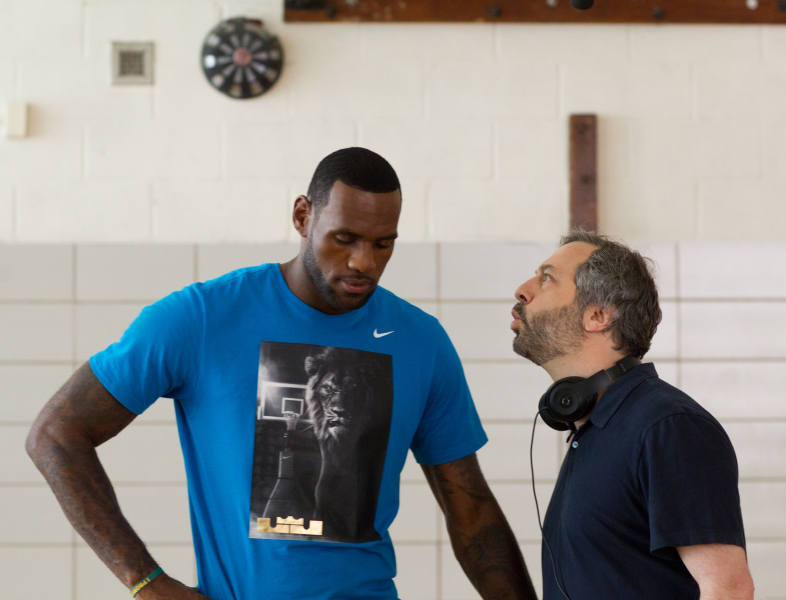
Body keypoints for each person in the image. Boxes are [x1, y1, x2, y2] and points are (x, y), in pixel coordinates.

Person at [26, 147, 537, 600]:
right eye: (345, 238)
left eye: (383, 244)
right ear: (302, 216)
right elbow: (55, 434)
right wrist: (147, 582)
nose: (363, 262)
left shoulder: (421, 341)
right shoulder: (203, 318)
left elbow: (472, 512)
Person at [510, 230, 754, 600]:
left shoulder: (668, 427)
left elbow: (729, 589)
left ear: (598, 315)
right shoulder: (594, 428)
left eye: (547, 278)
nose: (522, 291)